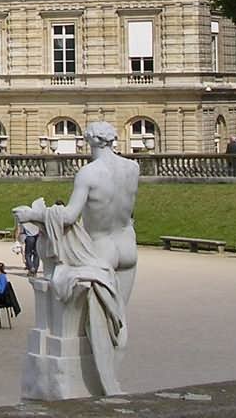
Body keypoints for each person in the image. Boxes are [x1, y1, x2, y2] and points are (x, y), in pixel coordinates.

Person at [14, 120, 140, 397]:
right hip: (128, 245)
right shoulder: (133, 168)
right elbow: (128, 211)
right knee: (118, 319)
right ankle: (111, 379)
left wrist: (34, 215)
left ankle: (105, 384)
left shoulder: (88, 173)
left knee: (97, 324)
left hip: (101, 247)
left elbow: (70, 216)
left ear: (89, 141)